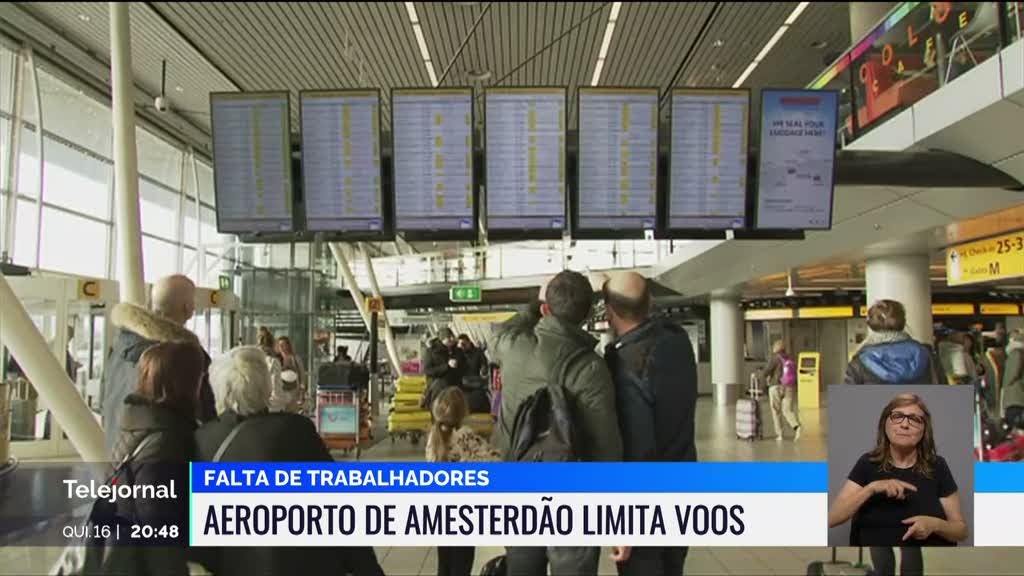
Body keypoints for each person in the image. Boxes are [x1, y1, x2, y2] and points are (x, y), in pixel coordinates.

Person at [196, 346, 384, 576]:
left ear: (217, 388)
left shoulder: (202, 441)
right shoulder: (295, 430)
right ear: (267, 387)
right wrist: (368, 568)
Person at [488, 270, 627, 576]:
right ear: (588, 315)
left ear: (545, 309)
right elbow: (606, 447)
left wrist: (533, 306)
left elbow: (496, 335)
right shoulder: (591, 368)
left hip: (518, 485)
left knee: (522, 568)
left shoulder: (515, 346)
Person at [602, 271, 695, 576]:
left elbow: (638, 448)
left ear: (608, 312)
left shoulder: (626, 366)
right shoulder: (678, 341)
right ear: (650, 302)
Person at [828, 393, 968, 575]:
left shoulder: (937, 466)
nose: (904, 424)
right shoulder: (867, 463)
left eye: (914, 419)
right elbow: (832, 518)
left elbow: (961, 531)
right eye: (897, 416)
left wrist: (935, 525)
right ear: (884, 424)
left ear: (924, 430)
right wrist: (872, 488)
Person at [107, 341, 205, 576]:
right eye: (200, 377)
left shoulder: (138, 426)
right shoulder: (166, 443)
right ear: (184, 385)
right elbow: (159, 534)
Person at [101, 275, 216, 453]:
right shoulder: (181, 356)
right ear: (187, 308)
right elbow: (206, 417)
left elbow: (105, 402)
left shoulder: (121, 346)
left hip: (120, 452)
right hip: (164, 454)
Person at [426, 387, 501, 576]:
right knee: (461, 565)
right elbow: (494, 462)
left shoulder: (434, 437)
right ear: (463, 411)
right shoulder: (465, 436)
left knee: (445, 564)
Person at [844, 300, 945, 385]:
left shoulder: (859, 363)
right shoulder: (928, 357)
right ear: (903, 322)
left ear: (870, 324)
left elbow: (848, 401)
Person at [760, 339, 802, 441]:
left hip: (776, 387)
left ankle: (780, 434)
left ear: (775, 348)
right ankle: (797, 427)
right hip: (789, 387)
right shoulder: (789, 358)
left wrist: (760, 376)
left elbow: (765, 372)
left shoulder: (775, 359)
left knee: (776, 411)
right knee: (787, 410)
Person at [422, 328, 466, 410]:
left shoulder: (458, 350)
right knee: (441, 411)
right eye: (448, 337)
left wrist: (459, 365)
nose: (451, 339)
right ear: (442, 340)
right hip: (439, 389)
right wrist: (446, 366)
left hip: (455, 387)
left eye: (452, 336)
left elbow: (465, 366)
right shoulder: (431, 352)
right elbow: (427, 370)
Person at [457, 334, 490, 413]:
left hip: (476, 380)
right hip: (464, 383)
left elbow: (484, 364)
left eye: (464, 344)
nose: (462, 347)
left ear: (469, 342)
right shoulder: (458, 354)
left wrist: (484, 369)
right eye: (460, 345)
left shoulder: (477, 352)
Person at [1002, 330, 1024, 429]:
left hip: (1014, 398)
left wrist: (1008, 383)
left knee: (1015, 428)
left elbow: (1014, 372)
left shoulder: (1015, 352)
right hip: (1018, 398)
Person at [276, 336, 306, 407]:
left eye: (283, 345)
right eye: (279, 345)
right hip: (280, 391)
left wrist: (302, 391)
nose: (281, 347)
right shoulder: (276, 359)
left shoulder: (295, 358)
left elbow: (302, 375)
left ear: (288, 345)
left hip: (293, 391)